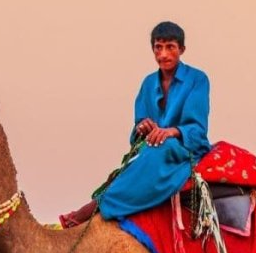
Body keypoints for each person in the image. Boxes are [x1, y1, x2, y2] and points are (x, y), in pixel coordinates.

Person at [60, 20, 212, 226]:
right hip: (152, 147)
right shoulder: (149, 83)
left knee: (159, 149)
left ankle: (96, 207)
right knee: (139, 158)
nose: (164, 54)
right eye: (158, 48)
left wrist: (170, 132)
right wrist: (142, 128)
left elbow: (197, 131)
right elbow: (138, 129)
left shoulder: (197, 79)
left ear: (182, 50)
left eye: (170, 47)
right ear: (153, 50)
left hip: (183, 149)